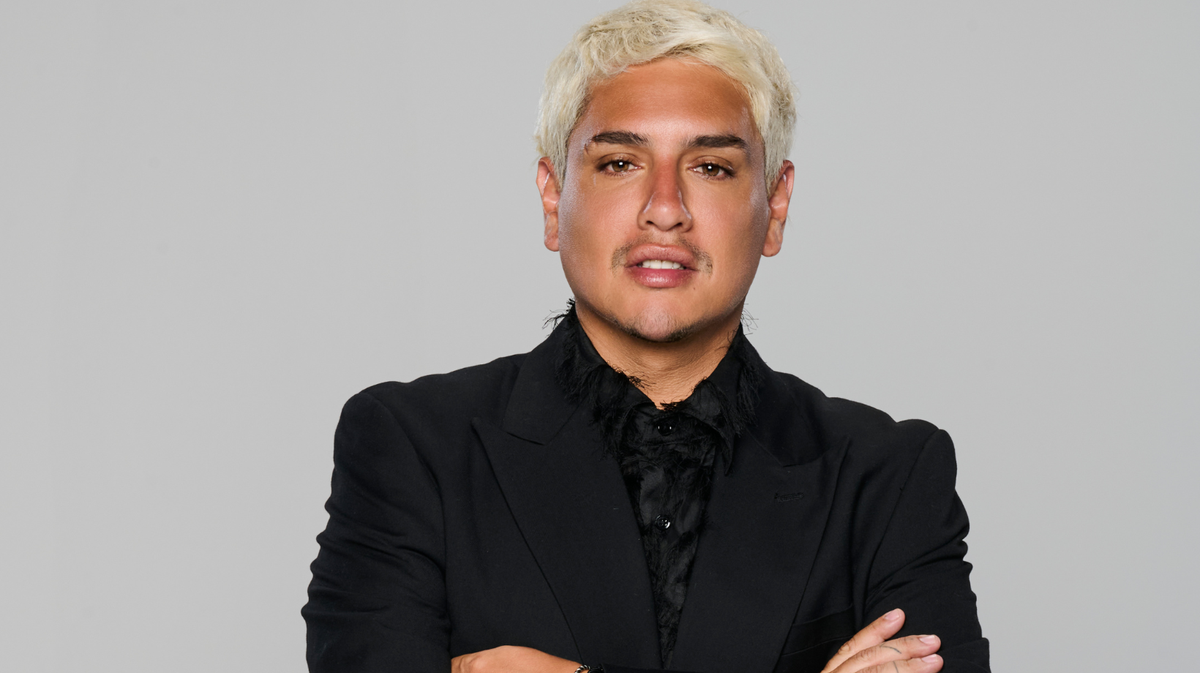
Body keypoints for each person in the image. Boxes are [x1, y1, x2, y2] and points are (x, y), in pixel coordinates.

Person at [302, 1, 989, 672]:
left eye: (711, 167)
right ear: (553, 198)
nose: (665, 209)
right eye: (619, 163)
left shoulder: (888, 477)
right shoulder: (412, 448)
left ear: (775, 207)